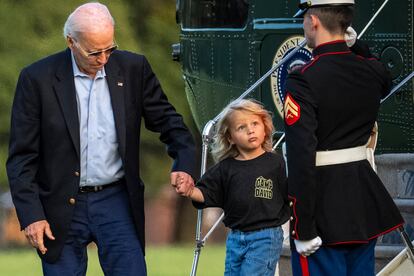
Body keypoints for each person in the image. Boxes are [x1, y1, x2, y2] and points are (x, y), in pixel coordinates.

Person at [6, 2, 196, 275]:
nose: (104, 58)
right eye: (95, 51)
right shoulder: (37, 79)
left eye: (110, 48)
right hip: (59, 204)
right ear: (71, 42)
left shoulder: (133, 69)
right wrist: (31, 215)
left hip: (116, 200)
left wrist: (184, 162)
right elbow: (21, 157)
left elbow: (169, 122)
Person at [284, 1, 404, 275]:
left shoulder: (303, 78)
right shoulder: (370, 71)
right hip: (363, 202)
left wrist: (302, 226)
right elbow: (384, 76)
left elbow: (301, 155)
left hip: (322, 210)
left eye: (304, 19)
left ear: (313, 20)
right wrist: (355, 44)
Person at [176, 99, 290, 276]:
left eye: (255, 124)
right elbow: (207, 193)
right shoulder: (225, 168)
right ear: (230, 137)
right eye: (241, 127)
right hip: (236, 239)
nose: (250, 130)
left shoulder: (275, 163)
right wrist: (190, 191)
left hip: (265, 237)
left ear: (265, 127)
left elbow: (290, 193)